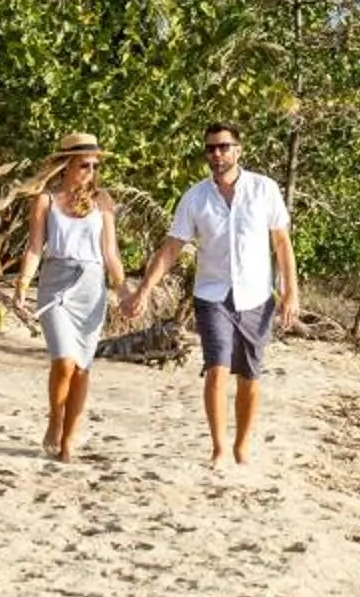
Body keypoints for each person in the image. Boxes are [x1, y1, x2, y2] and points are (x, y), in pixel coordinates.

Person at [123, 121, 296, 464]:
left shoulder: (265, 190)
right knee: (216, 367)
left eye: (223, 147)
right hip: (212, 294)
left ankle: (241, 445)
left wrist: (291, 291)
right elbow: (173, 247)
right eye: (211, 149)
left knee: (249, 375)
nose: (217, 154)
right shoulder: (195, 197)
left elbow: (281, 243)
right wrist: (144, 288)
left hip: (257, 297)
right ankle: (218, 447)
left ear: (238, 150)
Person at [13, 132, 125, 461]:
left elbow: (111, 254)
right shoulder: (46, 200)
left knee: (82, 368)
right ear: (65, 166)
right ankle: (55, 417)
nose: (89, 171)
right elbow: (35, 246)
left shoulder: (103, 201)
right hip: (56, 282)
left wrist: (127, 292)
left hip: (91, 286)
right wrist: (21, 285)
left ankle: (69, 440)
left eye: (93, 165)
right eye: (83, 165)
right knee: (64, 360)